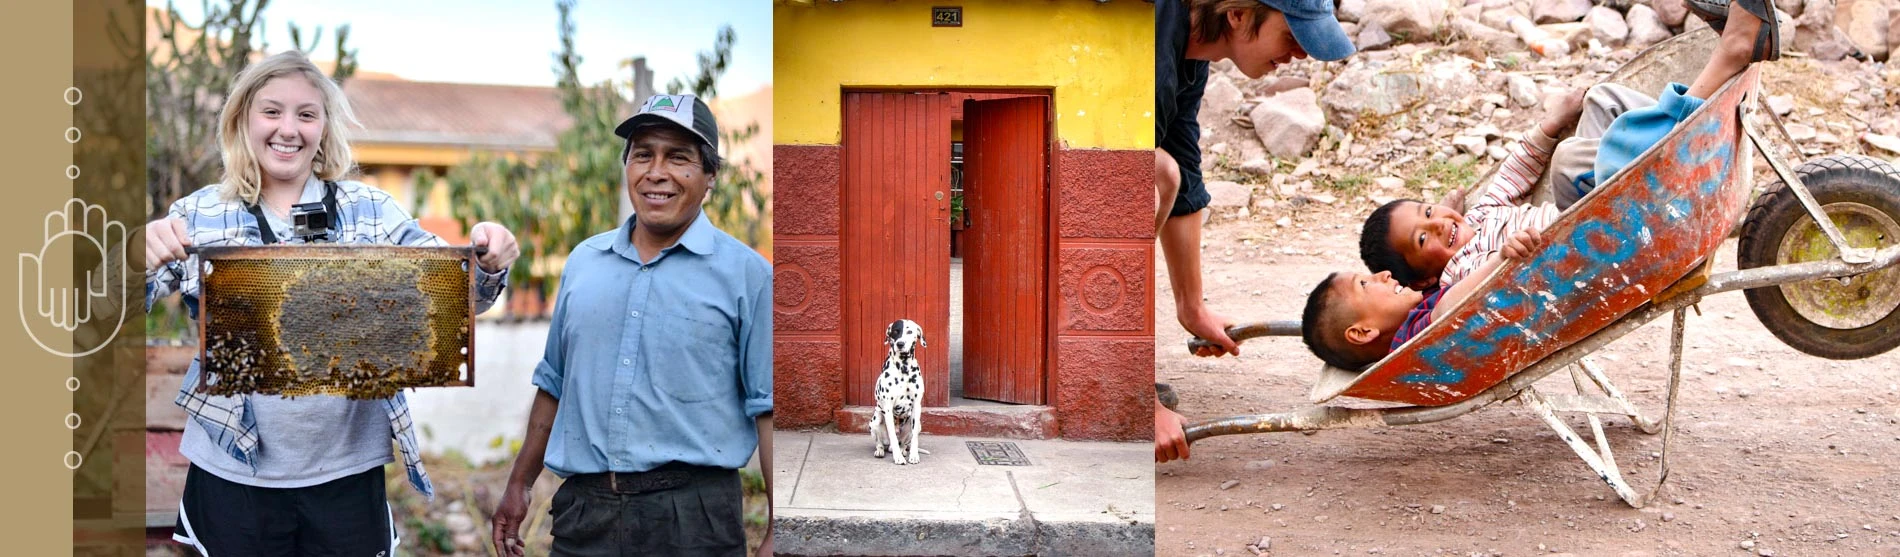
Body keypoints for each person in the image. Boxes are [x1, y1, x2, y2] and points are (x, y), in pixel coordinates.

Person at [144, 51, 521, 556]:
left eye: (306, 114)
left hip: (346, 476)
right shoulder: (199, 213)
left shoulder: (370, 209)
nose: (288, 129)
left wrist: (490, 259)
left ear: (324, 126)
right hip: (232, 471)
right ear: (243, 120)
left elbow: (456, 294)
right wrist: (134, 256)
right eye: (271, 111)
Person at [489, 94, 773, 557]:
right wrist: (519, 484)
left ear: (710, 177)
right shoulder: (584, 262)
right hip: (586, 513)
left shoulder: (747, 276)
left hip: (694, 520)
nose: (656, 172)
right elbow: (553, 383)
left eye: (678, 157)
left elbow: (767, 408)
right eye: (644, 154)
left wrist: (775, 532)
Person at [1361, 0, 1781, 293]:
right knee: (1570, 160)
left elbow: (1517, 170)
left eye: (1429, 211)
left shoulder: (1482, 213)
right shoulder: (1460, 274)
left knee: (1602, 101)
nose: (1438, 223)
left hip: (1601, 206)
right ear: (1421, 280)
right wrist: (1501, 262)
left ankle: (1698, 116)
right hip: (1594, 238)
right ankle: (1728, 59)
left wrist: (1553, 121)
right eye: (1422, 239)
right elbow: (1472, 299)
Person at [1155, 0, 1355, 463]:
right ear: (1239, 15)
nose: (1300, 54)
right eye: (1292, 36)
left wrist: (1192, 307)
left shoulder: (1190, 57)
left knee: (1166, 169)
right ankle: (1094, 372)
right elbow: (1105, 219)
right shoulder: (1149, 40)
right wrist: (1132, 403)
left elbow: (1186, 177)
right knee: (1150, 174)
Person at [1302, 230, 1544, 371]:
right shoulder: (1410, 341)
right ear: (1364, 331)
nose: (1384, 274)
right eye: (1364, 284)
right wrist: (1500, 259)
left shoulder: (1411, 311)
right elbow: (1447, 310)